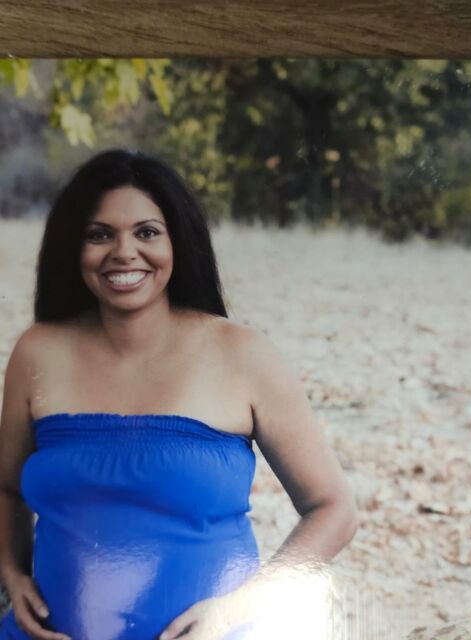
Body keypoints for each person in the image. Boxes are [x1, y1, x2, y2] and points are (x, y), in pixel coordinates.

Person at [0, 149, 359, 640]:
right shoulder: (37, 352)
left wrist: (238, 609)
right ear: (73, 247)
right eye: (99, 234)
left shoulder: (243, 355)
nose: (123, 252)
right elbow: (7, 488)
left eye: (147, 232)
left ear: (179, 242)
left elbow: (333, 508)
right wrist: (12, 572)